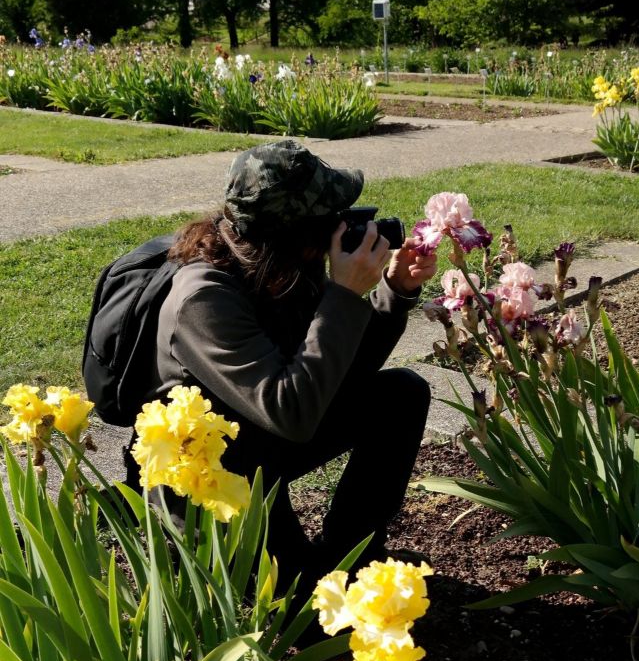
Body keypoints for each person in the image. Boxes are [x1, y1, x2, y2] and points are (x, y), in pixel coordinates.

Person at [128, 139, 436, 591]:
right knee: (306, 610)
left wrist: (393, 292)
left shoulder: (283, 265)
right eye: (333, 218)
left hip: (265, 436)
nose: (348, 227)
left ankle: (354, 551)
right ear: (297, 233)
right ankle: (204, 552)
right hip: (210, 474)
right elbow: (291, 412)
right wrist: (344, 296)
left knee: (400, 394)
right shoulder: (203, 299)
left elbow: (340, 374)